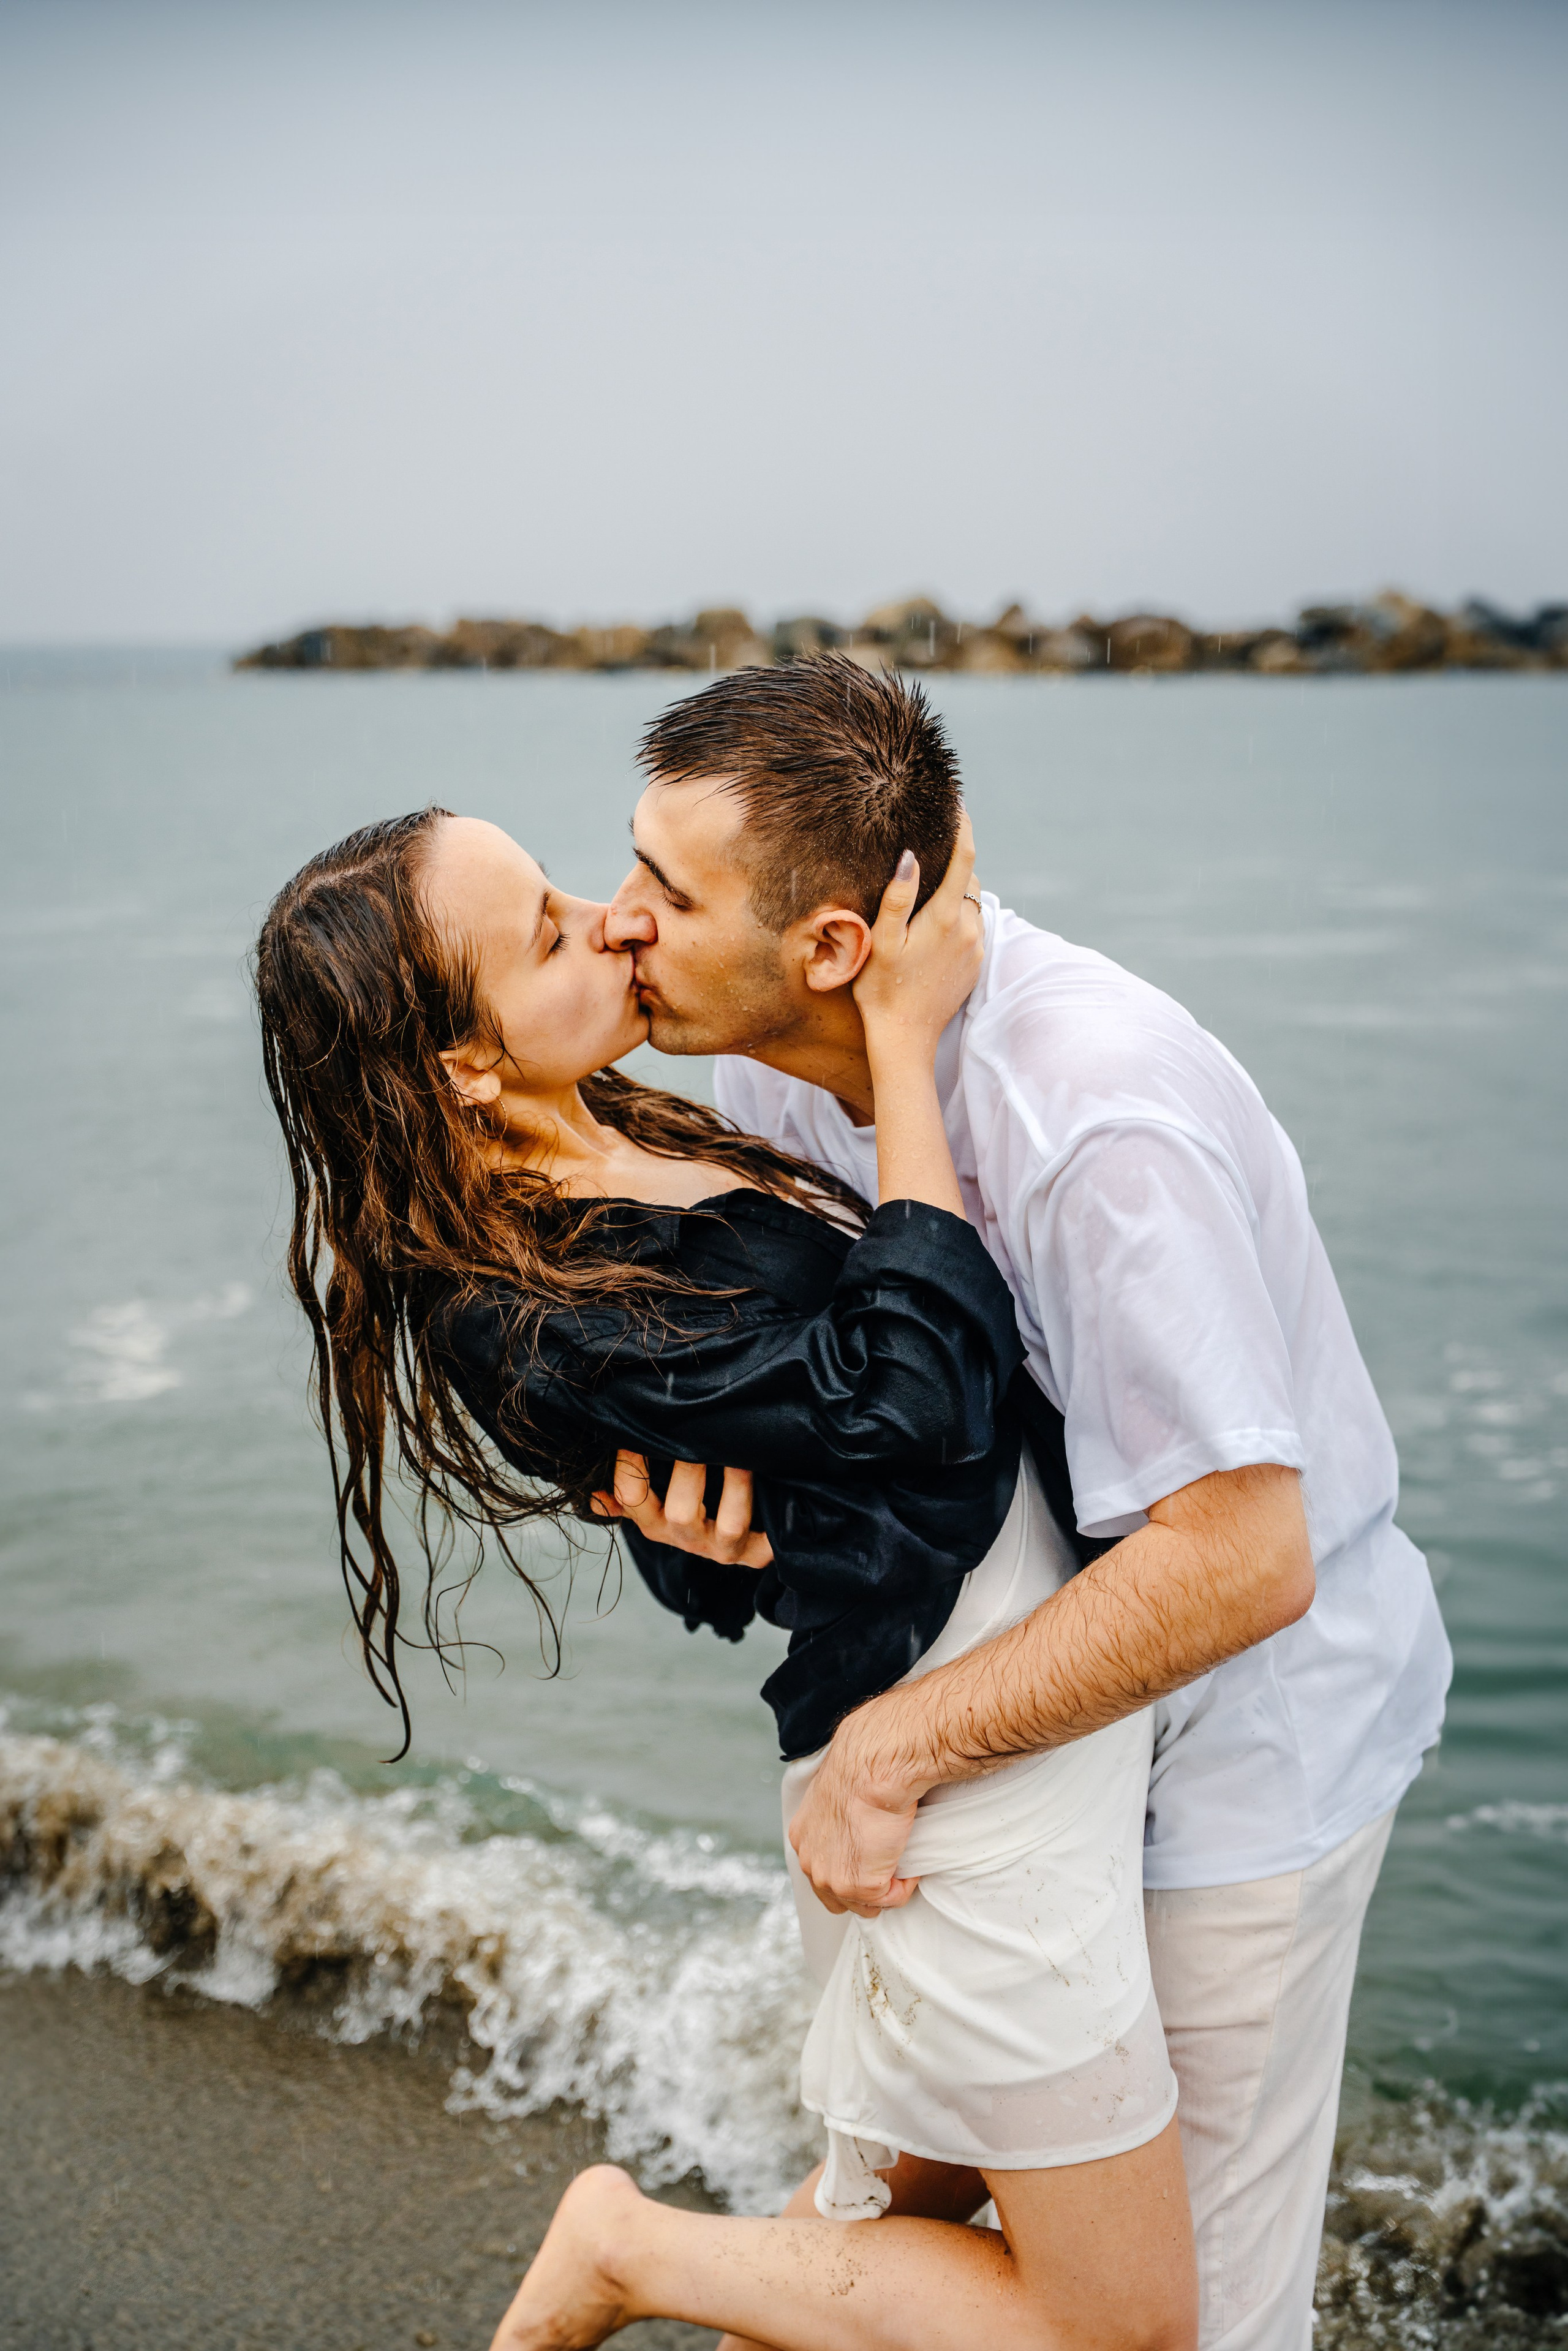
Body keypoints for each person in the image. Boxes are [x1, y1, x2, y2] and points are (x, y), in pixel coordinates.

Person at [254, 807, 1199, 2351]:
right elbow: (911, 1398)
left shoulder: (631, 1121)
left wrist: (704, 1534)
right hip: (951, 1771)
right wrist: (899, 1039)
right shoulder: (517, 1301)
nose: (608, 919)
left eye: (569, 885)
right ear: (464, 1071)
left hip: (1003, 1709)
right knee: (1121, 2327)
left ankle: (639, 2266)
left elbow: (757, 1506)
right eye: (550, 931)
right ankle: (624, 2248)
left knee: (893, 2224)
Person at [599, 653, 1454, 2351]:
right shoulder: (772, 1073)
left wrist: (894, 1750)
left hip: (1238, 1742)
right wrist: (698, 1534)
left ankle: (625, 2256)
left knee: (1180, 2319)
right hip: (1014, 1723)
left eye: (663, 890)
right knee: (898, 2215)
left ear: (836, 943)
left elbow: (1245, 1556)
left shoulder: (1095, 1119)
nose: (615, 917)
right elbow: (877, 1428)